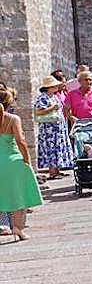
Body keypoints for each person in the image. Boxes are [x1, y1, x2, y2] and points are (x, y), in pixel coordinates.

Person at [0, 89, 43, 241]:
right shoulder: (13, 119)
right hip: (13, 161)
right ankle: (18, 228)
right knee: (18, 195)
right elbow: (21, 141)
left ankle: (4, 225)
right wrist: (27, 159)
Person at [34, 76, 72, 179]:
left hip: (57, 128)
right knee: (51, 148)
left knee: (56, 147)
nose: (57, 87)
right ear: (49, 87)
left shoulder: (54, 96)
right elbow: (38, 111)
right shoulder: (43, 97)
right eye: (55, 86)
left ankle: (57, 170)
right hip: (49, 129)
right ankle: (52, 172)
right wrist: (52, 108)